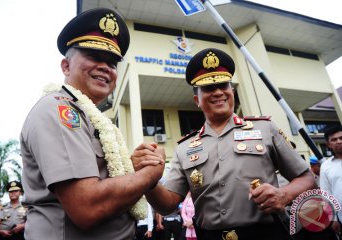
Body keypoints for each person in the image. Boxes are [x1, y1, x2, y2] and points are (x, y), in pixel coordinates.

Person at [131, 48, 316, 240]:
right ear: (197, 100)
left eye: (223, 85)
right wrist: (149, 179)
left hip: (266, 234)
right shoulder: (185, 147)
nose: (218, 92)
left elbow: (307, 178)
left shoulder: (265, 129)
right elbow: (167, 204)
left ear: (232, 91)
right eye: (210, 88)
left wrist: (284, 195)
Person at [20, 8, 164, 240]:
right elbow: (86, 206)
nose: (106, 67)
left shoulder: (92, 117)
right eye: (94, 56)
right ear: (66, 66)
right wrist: (150, 174)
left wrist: (130, 167)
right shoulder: (61, 109)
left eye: (112, 62)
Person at [320, 125, 342, 239]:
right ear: (328, 144)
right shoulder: (326, 166)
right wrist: (332, 219)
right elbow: (326, 194)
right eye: (334, 139)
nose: (339, 141)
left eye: (341, 138)